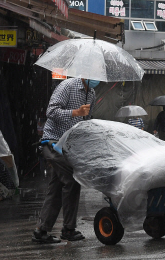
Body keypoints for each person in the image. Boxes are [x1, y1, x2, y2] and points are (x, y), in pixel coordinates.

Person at [32, 77, 98, 244]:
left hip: (70, 145)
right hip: (53, 142)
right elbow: (51, 112)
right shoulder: (67, 86)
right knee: (71, 180)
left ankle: (42, 230)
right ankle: (68, 229)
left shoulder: (91, 93)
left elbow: (86, 121)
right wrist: (75, 112)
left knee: (57, 187)